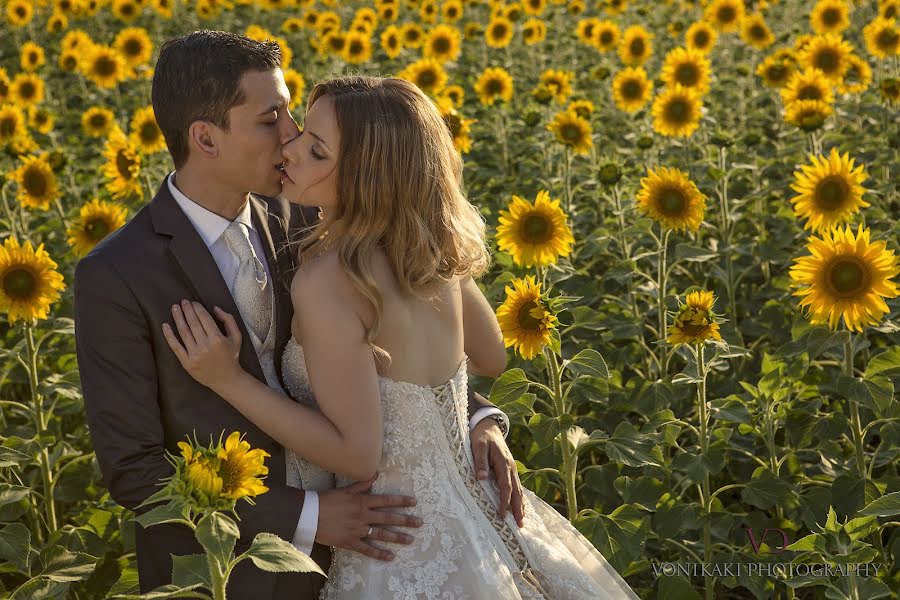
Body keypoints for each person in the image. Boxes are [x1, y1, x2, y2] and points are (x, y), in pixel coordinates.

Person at [73, 31, 520, 600]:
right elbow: (136, 471)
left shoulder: (311, 210)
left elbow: (391, 346)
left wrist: (474, 422)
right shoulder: (117, 274)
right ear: (205, 138)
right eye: (271, 119)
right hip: (227, 574)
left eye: (293, 115)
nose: (290, 136)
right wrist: (305, 516)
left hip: (371, 551)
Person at [162, 74, 641, 599]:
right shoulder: (430, 254)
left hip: (398, 539)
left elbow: (358, 455)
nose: (290, 148)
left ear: (368, 179)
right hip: (481, 508)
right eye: (302, 131)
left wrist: (229, 381)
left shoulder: (327, 281)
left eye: (316, 151)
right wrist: (475, 422)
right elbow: (491, 355)